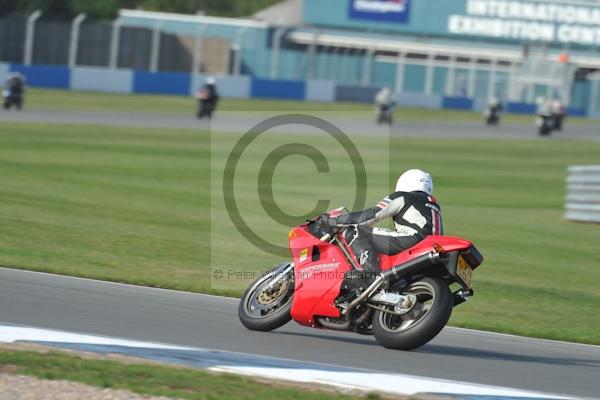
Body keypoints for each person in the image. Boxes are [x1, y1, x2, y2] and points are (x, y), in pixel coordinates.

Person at [322, 169, 442, 285]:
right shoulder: (433, 204)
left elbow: (372, 215)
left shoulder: (403, 196)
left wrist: (334, 221)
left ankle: (371, 276)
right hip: (431, 246)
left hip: (413, 240)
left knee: (355, 230)